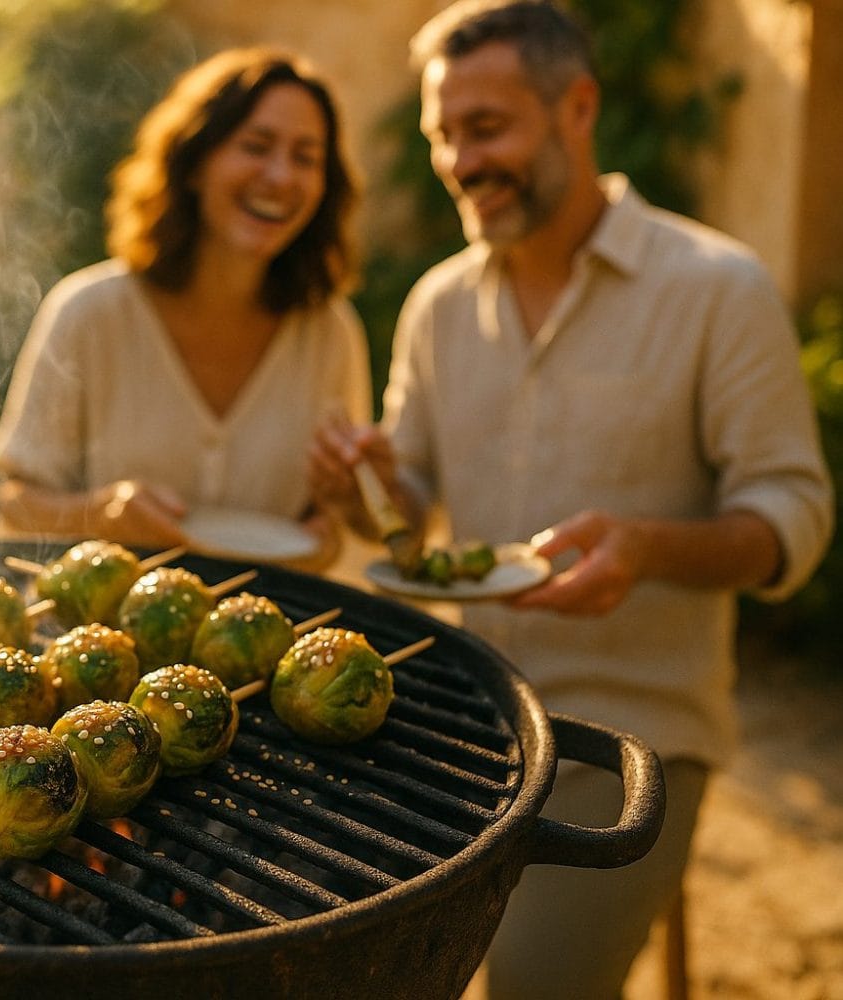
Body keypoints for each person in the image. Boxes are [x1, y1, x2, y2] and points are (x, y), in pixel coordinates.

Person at [309, 2, 833, 997]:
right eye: (443, 135)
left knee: (532, 988)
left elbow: (795, 518)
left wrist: (648, 549)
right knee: (333, 933)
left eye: (486, 128)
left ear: (578, 108)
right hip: (463, 714)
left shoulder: (717, 287)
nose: (460, 162)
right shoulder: (437, 305)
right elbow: (407, 513)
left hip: (634, 737)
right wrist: (362, 489)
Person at [0, 47, 373, 570]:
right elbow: (14, 503)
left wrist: (329, 534)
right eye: (256, 146)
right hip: (109, 621)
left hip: (270, 621)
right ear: (193, 164)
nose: (281, 176)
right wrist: (102, 515)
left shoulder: (330, 333)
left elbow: (336, 513)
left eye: (306, 157)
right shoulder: (89, 313)